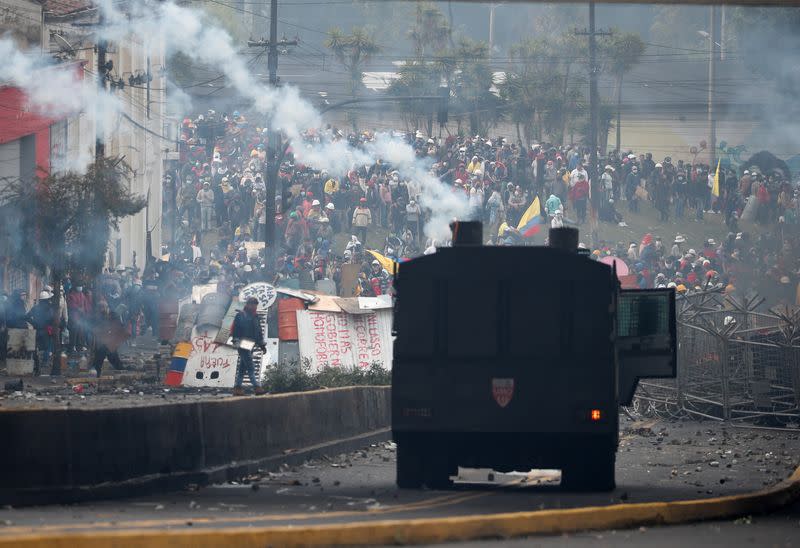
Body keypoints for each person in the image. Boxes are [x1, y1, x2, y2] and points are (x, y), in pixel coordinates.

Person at [231, 297, 266, 396]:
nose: (254, 306)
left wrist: (262, 346)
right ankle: (257, 387)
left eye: (255, 304)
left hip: (251, 344)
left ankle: (237, 388)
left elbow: (258, 332)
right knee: (250, 366)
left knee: (243, 367)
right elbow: (236, 331)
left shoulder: (256, 317)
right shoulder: (240, 315)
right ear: (247, 304)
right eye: (252, 304)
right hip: (242, 343)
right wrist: (236, 342)